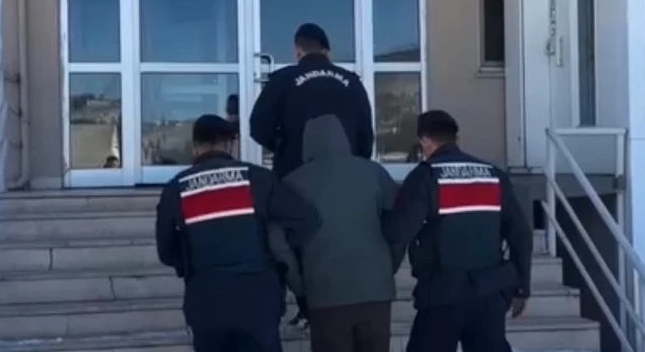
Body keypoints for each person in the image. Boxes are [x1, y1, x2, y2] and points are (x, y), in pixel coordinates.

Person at [155, 114, 321, 352]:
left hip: (206, 300)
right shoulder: (258, 178)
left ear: (195, 146)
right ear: (230, 144)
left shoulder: (176, 188)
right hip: (258, 300)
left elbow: (166, 251)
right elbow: (307, 221)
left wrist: (190, 262)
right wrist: (277, 252)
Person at [382, 110, 533, 352]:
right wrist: (522, 287)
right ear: (456, 138)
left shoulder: (426, 176)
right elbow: (521, 233)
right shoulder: (492, 175)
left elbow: (398, 233)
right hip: (490, 292)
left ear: (425, 140)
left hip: (442, 293)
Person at [269, 114, 402, 352]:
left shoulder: (292, 183)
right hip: (377, 291)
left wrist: (299, 285)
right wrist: (389, 266)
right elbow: (400, 225)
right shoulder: (375, 172)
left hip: (325, 293)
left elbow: (277, 241)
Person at [249, 23, 374, 178]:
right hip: (345, 178)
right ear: (327, 53)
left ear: (298, 51)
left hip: (295, 178)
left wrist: (285, 147)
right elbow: (366, 139)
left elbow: (258, 127)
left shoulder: (282, 80)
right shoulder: (352, 83)